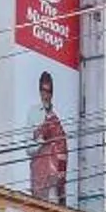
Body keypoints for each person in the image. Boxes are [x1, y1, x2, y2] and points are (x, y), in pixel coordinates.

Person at [29, 70, 71, 204]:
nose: (46, 95)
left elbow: (63, 147)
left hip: (55, 176)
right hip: (40, 176)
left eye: (48, 91)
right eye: (43, 90)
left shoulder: (56, 118)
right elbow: (28, 149)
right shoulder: (33, 113)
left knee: (54, 208)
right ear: (39, 90)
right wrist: (43, 139)